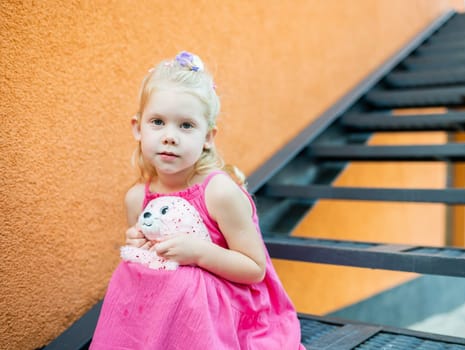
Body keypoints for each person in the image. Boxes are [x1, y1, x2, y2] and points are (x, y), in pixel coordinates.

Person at [90, 51, 305, 349]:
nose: (169, 136)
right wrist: (140, 244)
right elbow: (152, 264)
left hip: (232, 304)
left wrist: (200, 253)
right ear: (138, 128)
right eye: (157, 122)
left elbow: (254, 269)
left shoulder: (218, 193)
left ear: (208, 137)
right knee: (128, 271)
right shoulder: (138, 197)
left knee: (184, 281)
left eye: (186, 126)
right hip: (170, 310)